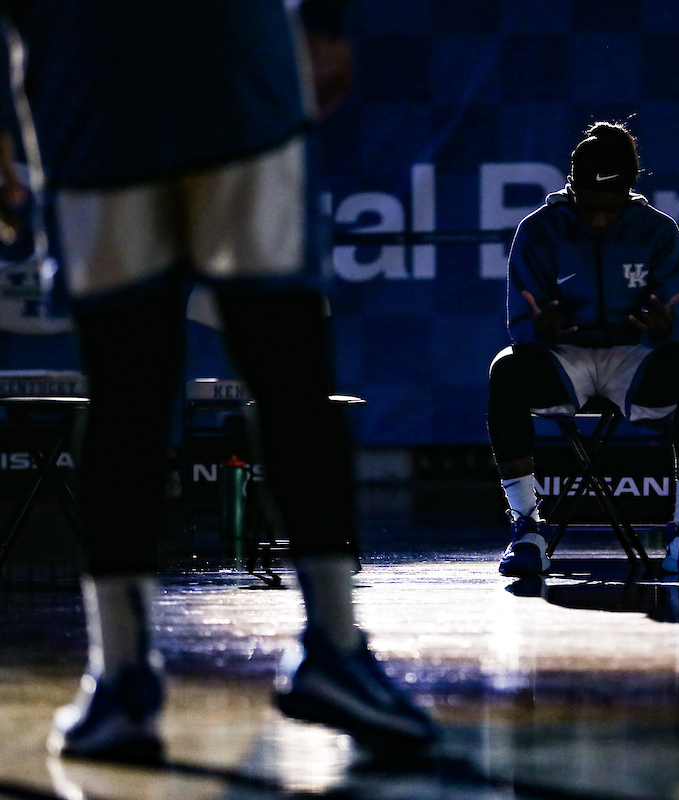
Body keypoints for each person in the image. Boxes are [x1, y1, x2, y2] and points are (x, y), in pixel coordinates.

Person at [3, 0, 436, 763]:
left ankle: (128, 678)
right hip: (184, 82)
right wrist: (326, 24)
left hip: (118, 88)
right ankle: (316, 648)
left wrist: (325, 23)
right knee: (273, 373)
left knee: (154, 386)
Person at [488, 121, 679, 579]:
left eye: (610, 209)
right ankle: (527, 528)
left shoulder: (659, 232)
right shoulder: (538, 230)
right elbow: (521, 326)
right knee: (506, 370)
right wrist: (541, 330)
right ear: (571, 186)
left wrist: (661, 330)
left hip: (633, 356)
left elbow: (673, 325)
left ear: (631, 189)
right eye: (588, 206)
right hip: (562, 355)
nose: (598, 219)